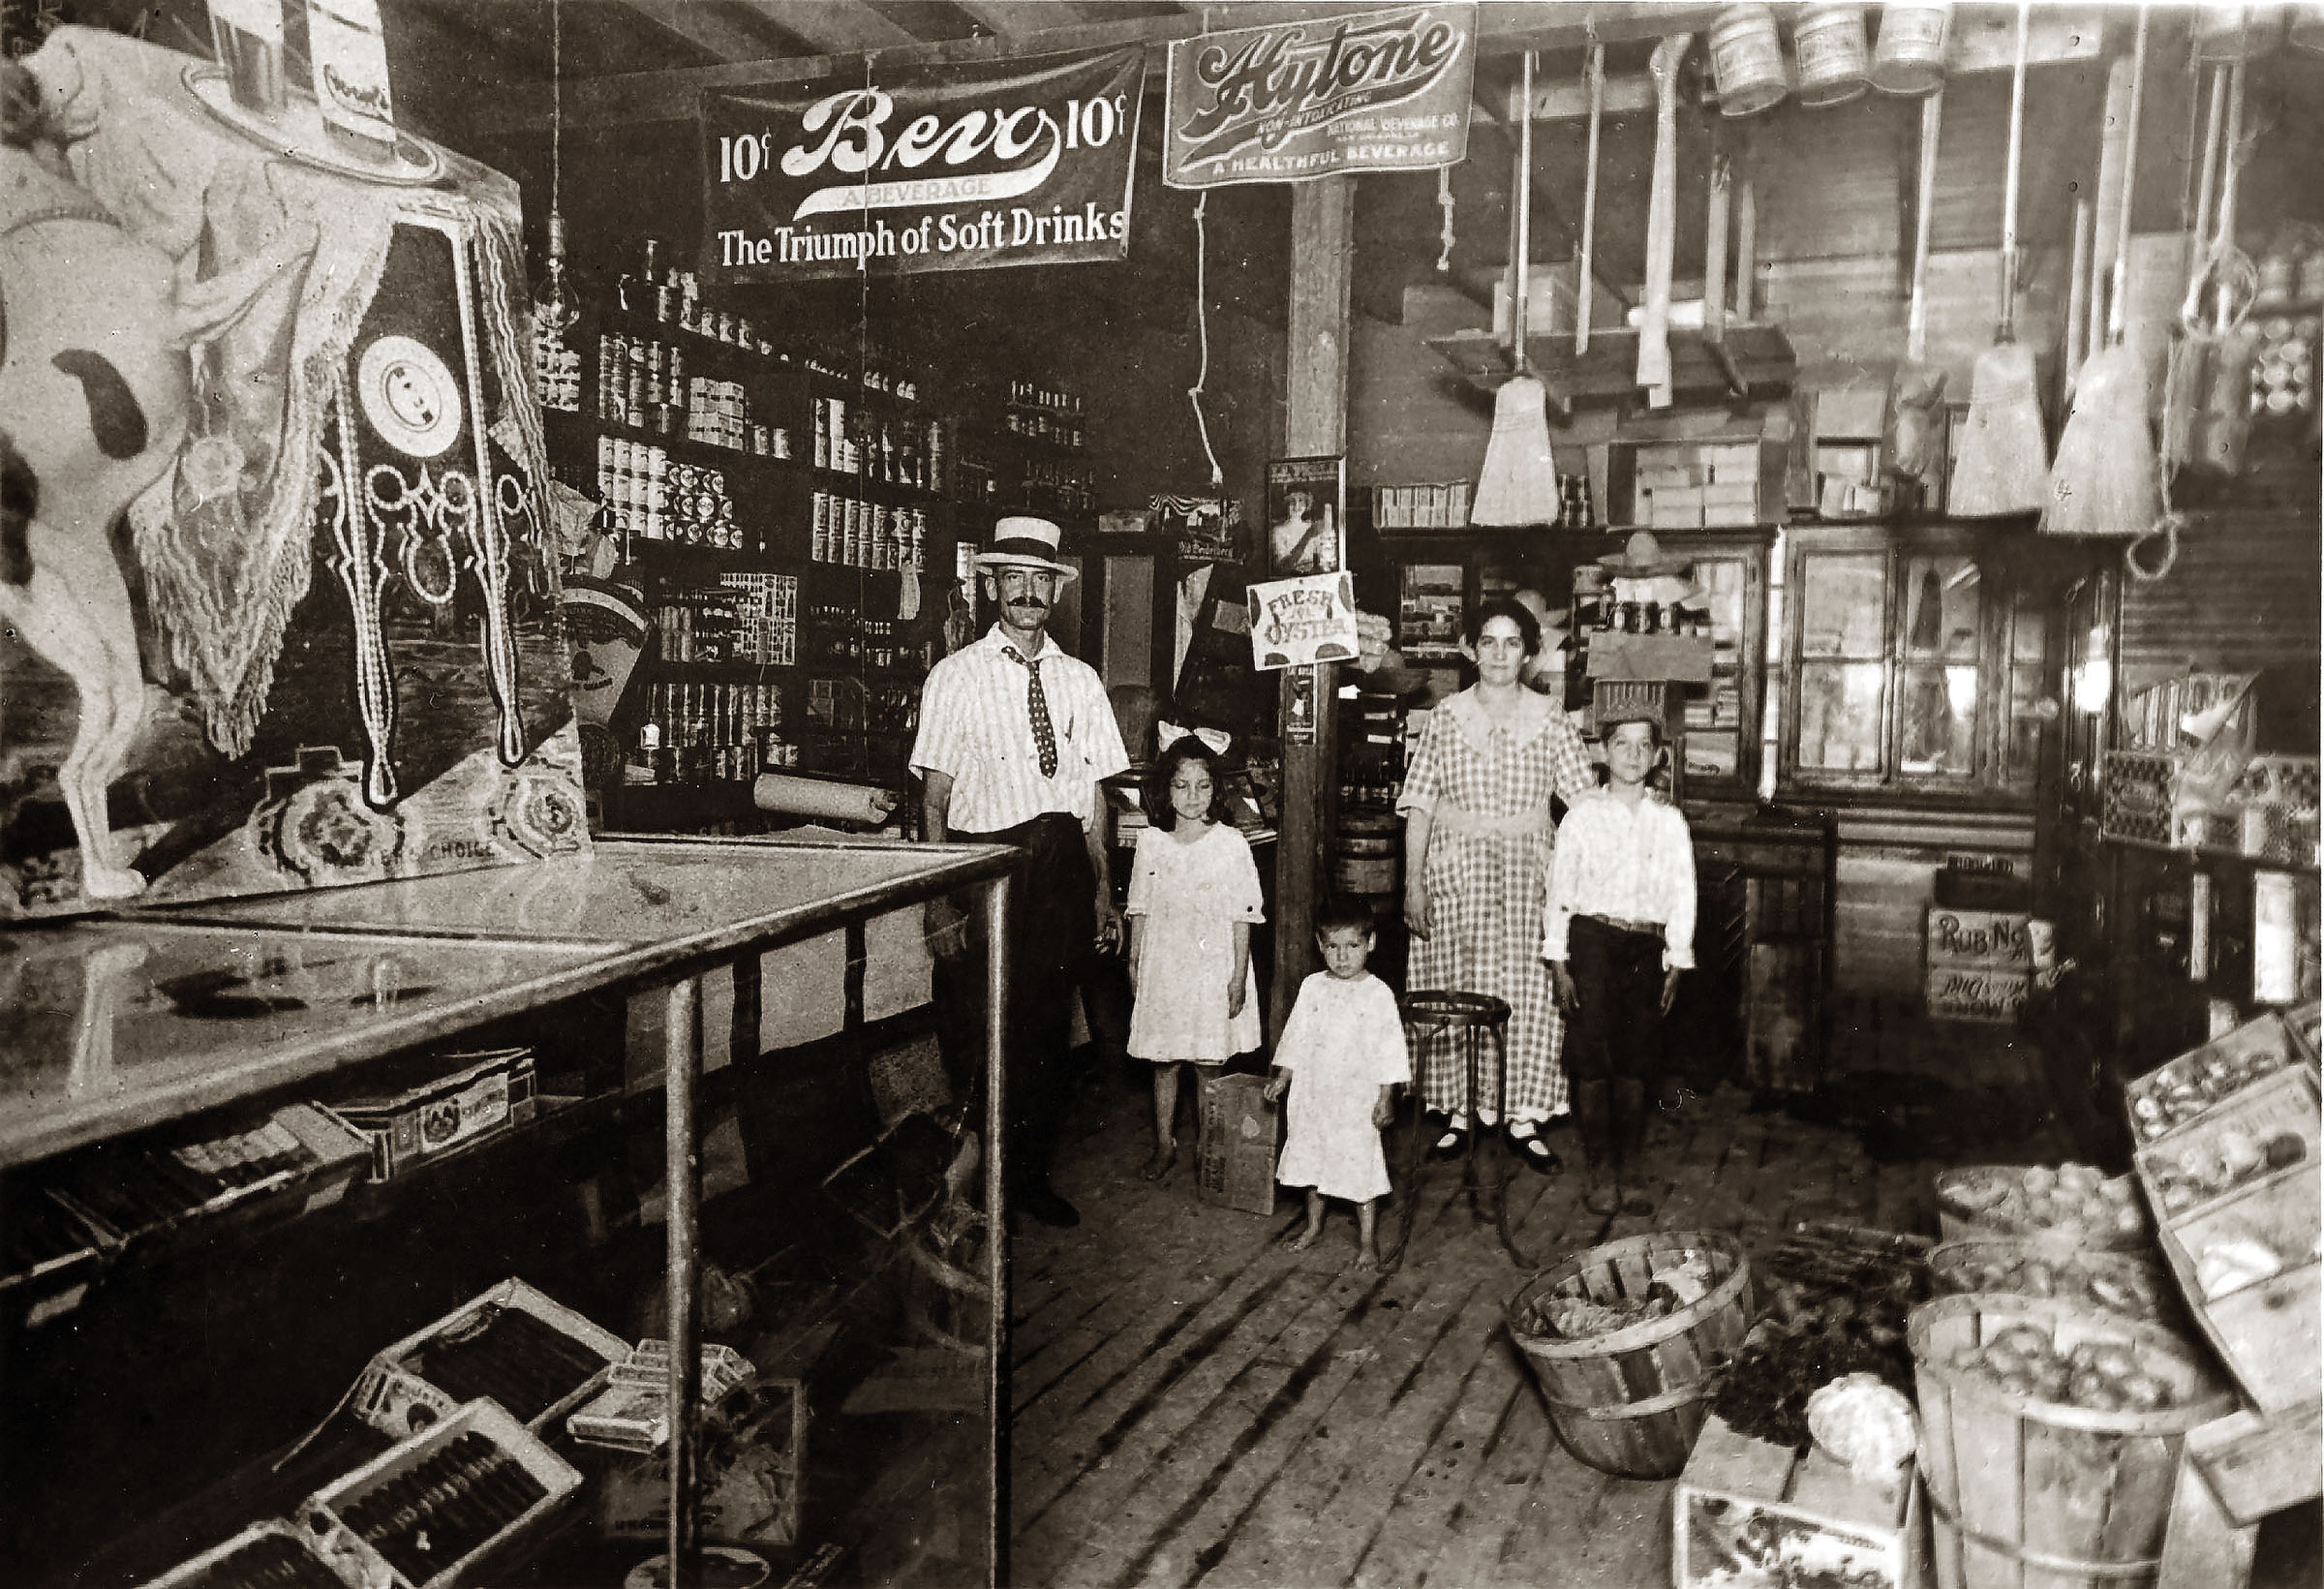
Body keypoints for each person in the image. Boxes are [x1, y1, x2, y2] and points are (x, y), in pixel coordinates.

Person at [913, 516, 1130, 1230]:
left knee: (1042, 1032)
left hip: (1061, 863)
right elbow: (935, 798)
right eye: (1015, 580)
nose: (1029, 594)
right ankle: (971, 1190)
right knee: (976, 1028)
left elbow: (1093, 797)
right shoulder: (956, 676)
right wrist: (939, 902)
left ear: (1055, 591)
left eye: (1041, 581)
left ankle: (1029, 1177)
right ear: (992, 585)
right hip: (986, 866)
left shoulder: (1080, 680)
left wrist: (1103, 891)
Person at [1396, 596, 1598, 1173]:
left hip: (1530, 872)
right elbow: (1420, 807)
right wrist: (1414, 884)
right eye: (1489, 641)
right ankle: (1460, 1112)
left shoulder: (1550, 715)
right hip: (1457, 870)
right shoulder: (1446, 716)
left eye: (1513, 642)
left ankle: (1523, 1115)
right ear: (1469, 649)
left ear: (1530, 653)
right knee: (1458, 983)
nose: (1501, 654)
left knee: (1530, 990)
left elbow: (1583, 804)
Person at [1544, 711, 1697, 1217]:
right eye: (1622, 744)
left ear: (1657, 757)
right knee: (1592, 1061)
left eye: (1643, 745)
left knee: (1636, 1061)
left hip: (1645, 948)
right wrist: (1559, 961)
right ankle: (1599, 1168)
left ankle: (1629, 1168)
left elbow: (1682, 892)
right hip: (1591, 940)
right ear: (1603, 752)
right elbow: (1560, 891)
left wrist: (1676, 957)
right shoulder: (1582, 814)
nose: (1632, 754)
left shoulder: (1668, 819)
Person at [1124, 734, 1266, 1180]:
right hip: (1166, 964)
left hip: (1213, 966)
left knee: (1209, 1060)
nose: (1192, 796)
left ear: (1215, 790)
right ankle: (1164, 1143)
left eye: (1202, 786)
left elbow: (1244, 914)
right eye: (1182, 786)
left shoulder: (1230, 843)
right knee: (1164, 1059)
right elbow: (1140, 907)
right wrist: (1134, 959)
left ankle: (1210, 1147)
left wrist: (1239, 975)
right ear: (1167, 789)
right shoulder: (1151, 843)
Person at [1264, 897, 1409, 1268]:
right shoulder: (1313, 987)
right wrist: (1283, 1077)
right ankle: (1313, 1226)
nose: (1342, 956)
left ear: (1370, 944)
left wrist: (1386, 1096)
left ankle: (1366, 1240)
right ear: (1319, 945)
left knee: (1359, 1163)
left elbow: (1389, 1049)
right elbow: (1295, 1035)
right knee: (1313, 1158)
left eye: (1352, 946)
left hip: (1355, 1098)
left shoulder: (1378, 994)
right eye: (1333, 947)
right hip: (1314, 1092)